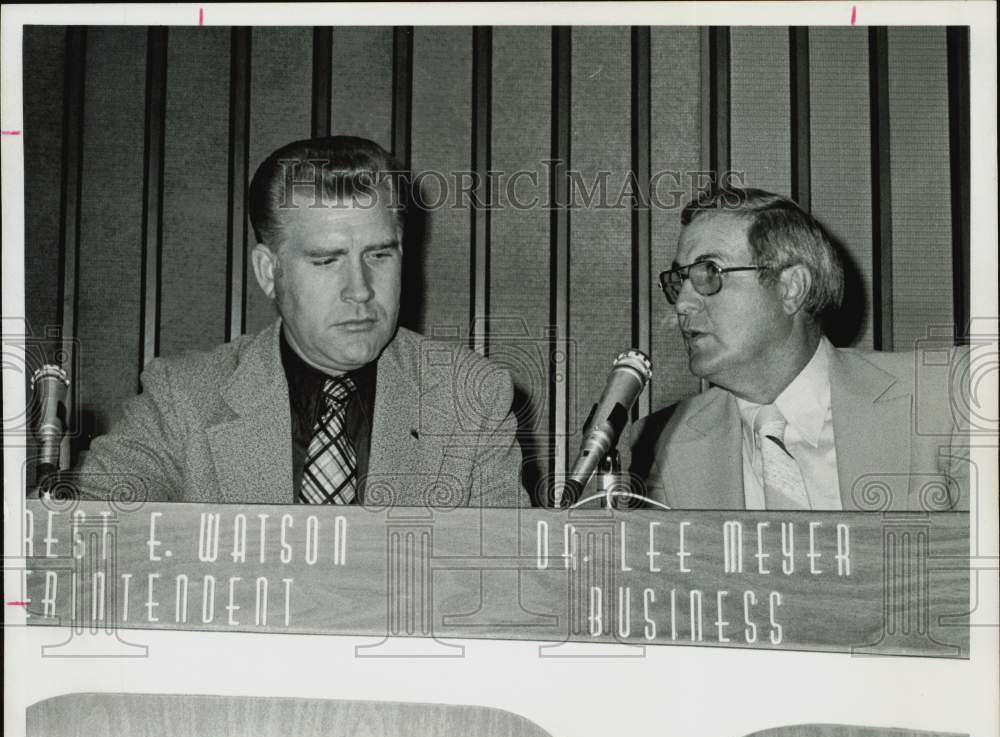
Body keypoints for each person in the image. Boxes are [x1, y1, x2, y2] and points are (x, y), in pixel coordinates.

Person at [72, 136, 525, 507]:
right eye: (327, 261)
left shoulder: (472, 398)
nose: (361, 289)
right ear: (269, 271)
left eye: (380, 255)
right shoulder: (181, 399)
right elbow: (84, 537)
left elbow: (506, 579)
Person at [629, 186, 968, 511]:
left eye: (710, 273)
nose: (683, 304)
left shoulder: (944, 398)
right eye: (680, 281)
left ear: (791, 288)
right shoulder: (662, 445)